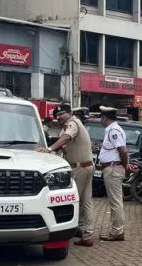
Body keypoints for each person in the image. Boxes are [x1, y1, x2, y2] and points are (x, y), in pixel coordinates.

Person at [38, 103, 94, 246]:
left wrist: (49, 149)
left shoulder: (73, 123)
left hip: (80, 167)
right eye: (56, 116)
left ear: (69, 113)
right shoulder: (73, 124)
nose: (58, 118)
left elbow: (66, 137)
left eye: (61, 114)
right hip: (86, 166)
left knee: (74, 201)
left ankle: (79, 232)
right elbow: (65, 144)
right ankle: (86, 232)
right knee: (86, 202)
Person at [97, 106, 129, 242]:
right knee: (115, 201)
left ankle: (117, 232)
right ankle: (116, 230)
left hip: (113, 168)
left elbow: (123, 150)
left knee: (115, 202)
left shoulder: (113, 130)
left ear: (105, 118)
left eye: (101, 117)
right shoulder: (112, 129)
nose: (101, 120)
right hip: (112, 167)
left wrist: (125, 165)